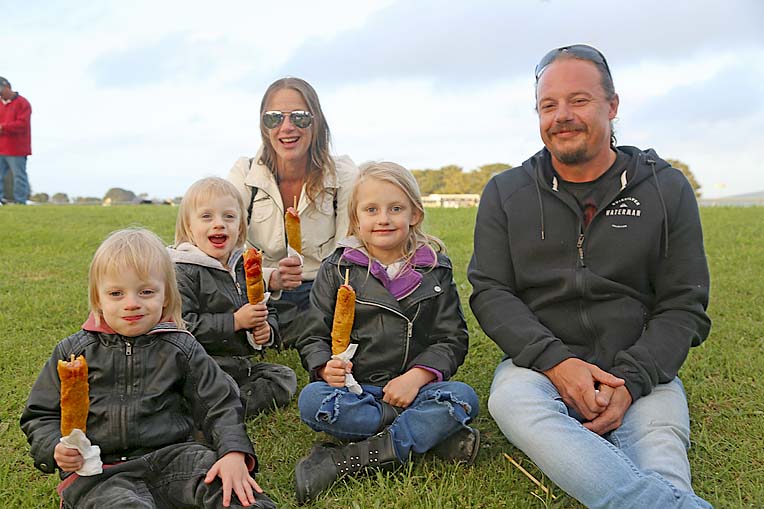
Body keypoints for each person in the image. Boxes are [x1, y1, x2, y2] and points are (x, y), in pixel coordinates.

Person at [468, 44, 712, 509]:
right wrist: (558, 364)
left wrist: (631, 380)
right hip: (538, 369)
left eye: (578, 100)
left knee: (661, 456)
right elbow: (490, 292)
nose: (562, 116)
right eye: (548, 105)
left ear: (612, 105)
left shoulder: (666, 188)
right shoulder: (506, 192)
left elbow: (684, 303)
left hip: (641, 370)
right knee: (510, 402)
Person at [20, 228, 276, 508]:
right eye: (116, 293)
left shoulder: (182, 347)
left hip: (176, 457)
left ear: (165, 295)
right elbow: (41, 414)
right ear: (98, 298)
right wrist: (55, 447)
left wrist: (233, 453)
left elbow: (220, 403)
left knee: (227, 489)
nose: (132, 304)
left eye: (146, 292)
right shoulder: (73, 353)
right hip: (103, 470)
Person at [293, 162, 480, 504]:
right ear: (356, 219)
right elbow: (313, 334)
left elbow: (452, 338)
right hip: (356, 390)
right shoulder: (337, 268)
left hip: (414, 390)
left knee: (462, 397)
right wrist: (324, 367)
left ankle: (345, 458)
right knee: (312, 401)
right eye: (371, 210)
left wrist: (417, 377)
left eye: (395, 208)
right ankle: (428, 436)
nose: (383, 219)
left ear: (415, 214)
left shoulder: (435, 269)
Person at [227, 77, 357, 347]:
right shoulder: (245, 173)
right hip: (259, 289)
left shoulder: (343, 174)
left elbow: (348, 250)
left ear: (316, 122)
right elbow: (226, 249)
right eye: (273, 118)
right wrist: (270, 277)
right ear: (263, 126)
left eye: (300, 117)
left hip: (320, 290)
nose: (286, 127)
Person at [168, 177, 297, 417]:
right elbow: (182, 326)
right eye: (206, 217)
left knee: (283, 377)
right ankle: (216, 406)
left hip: (239, 364)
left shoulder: (243, 265)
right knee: (212, 384)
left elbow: (265, 307)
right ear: (188, 227)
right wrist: (235, 322)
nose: (219, 224)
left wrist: (267, 330)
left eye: (229, 217)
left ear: (240, 227)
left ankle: (224, 407)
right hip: (200, 364)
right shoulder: (183, 271)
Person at [0, 76, 32, 204]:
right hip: (1, 147)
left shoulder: (23, 103)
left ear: (7, 87)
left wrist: (3, 127)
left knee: (19, 177)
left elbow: (22, 124)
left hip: (17, 149)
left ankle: (20, 202)